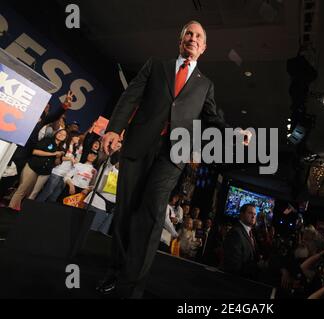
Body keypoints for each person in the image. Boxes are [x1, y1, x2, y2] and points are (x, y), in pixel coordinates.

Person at [97, 21, 252, 298]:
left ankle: (132, 286)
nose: (192, 38)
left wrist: (234, 132)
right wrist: (113, 128)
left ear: (203, 48)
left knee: (153, 212)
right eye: (188, 34)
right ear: (180, 41)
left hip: (173, 155)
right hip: (138, 146)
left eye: (198, 36)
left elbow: (213, 119)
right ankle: (115, 269)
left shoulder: (205, 85)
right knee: (125, 211)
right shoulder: (156, 65)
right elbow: (131, 96)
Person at [8, 129, 68, 210]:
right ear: (56, 133)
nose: (61, 135)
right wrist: (53, 153)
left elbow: (57, 163)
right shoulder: (47, 140)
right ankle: (11, 208)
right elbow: (34, 151)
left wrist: (58, 157)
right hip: (33, 166)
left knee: (33, 193)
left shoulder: (62, 149)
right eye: (60, 133)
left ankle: (24, 211)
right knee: (23, 188)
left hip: (45, 172)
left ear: (66, 138)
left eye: (64, 135)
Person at [223, 204, 259, 280]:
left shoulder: (251, 233)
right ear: (242, 214)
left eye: (255, 214)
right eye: (250, 213)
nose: (253, 216)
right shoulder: (236, 233)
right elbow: (234, 265)